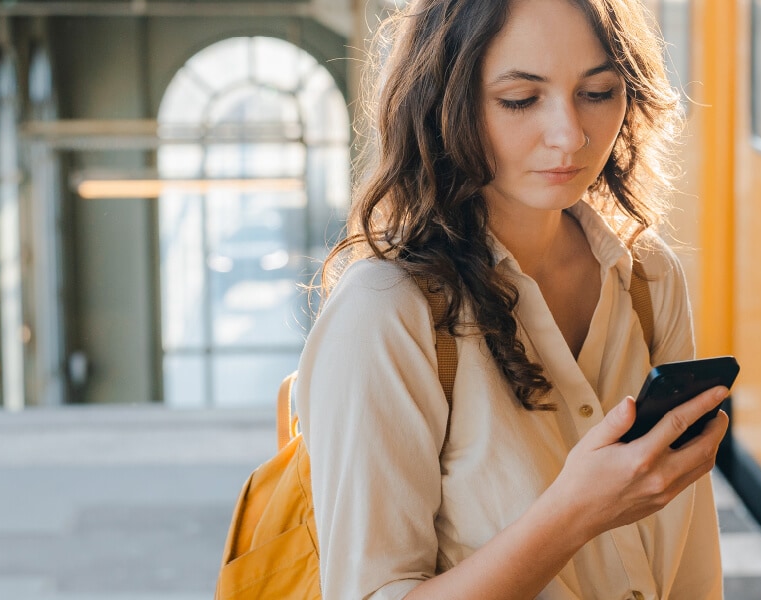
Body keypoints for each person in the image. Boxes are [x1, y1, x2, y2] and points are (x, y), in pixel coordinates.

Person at [295, 0, 728, 598]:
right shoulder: (388, 309)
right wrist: (574, 514)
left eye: (598, 92)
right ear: (444, 104)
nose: (570, 135)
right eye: (521, 100)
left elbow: (693, 564)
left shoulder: (648, 276)